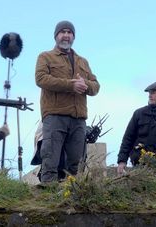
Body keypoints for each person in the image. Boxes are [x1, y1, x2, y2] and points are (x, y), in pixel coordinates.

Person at [35, 20, 100, 183]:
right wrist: (71, 85)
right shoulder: (45, 57)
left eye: (69, 32)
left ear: (73, 36)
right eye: (62, 32)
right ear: (56, 36)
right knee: (50, 159)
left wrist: (85, 85)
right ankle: (47, 197)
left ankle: (71, 197)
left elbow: (96, 86)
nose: (66, 35)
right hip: (55, 115)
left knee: (76, 163)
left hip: (79, 119)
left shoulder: (82, 61)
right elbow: (41, 79)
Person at [117, 82, 156, 175]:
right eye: (149, 93)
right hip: (139, 165)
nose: (150, 95)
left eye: (153, 92)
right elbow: (128, 139)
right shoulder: (139, 113)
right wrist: (122, 161)